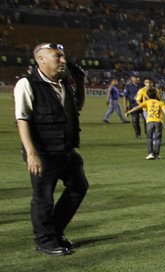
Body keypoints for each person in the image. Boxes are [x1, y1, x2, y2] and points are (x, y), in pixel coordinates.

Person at [14, 42, 88, 256]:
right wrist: (31, 153)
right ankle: (45, 241)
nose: (63, 60)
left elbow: (77, 107)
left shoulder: (63, 83)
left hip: (65, 148)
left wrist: (80, 82)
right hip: (43, 151)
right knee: (43, 196)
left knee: (78, 186)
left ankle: (54, 231)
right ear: (41, 59)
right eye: (58, 56)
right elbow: (22, 119)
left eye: (64, 56)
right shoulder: (27, 84)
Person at [126, 87, 165, 160]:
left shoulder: (146, 102)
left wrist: (129, 112)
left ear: (147, 96)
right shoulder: (160, 103)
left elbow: (137, 107)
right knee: (158, 139)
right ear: (156, 95)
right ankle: (156, 155)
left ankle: (150, 154)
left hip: (149, 122)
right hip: (158, 122)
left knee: (149, 138)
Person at [123, 73, 145, 138]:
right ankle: (138, 134)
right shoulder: (128, 86)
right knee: (135, 120)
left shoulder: (142, 85)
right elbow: (125, 97)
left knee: (146, 120)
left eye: (138, 77)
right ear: (132, 78)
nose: (137, 78)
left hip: (143, 105)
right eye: (136, 77)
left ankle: (148, 133)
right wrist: (125, 106)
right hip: (133, 106)